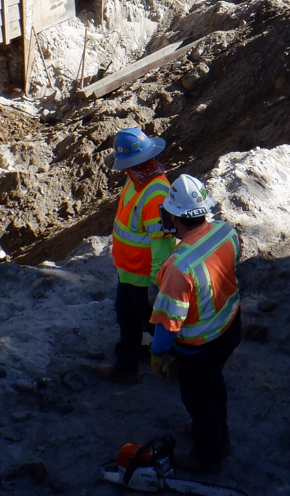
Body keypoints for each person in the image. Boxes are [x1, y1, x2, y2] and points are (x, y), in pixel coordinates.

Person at [149, 174, 242, 474]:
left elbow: (168, 322)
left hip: (200, 347)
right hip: (229, 326)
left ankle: (208, 454)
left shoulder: (178, 266)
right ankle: (218, 434)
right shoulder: (226, 232)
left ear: (174, 216)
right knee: (214, 384)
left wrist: (157, 351)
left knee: (198, 400)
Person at [96, 128, 176, 385]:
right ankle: (126, 367)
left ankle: (181, 366)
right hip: (128, 271)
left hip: (144, 277)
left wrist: (157, 283)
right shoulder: (136, 181)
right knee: (127, 318)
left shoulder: (157, 195)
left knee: (153, 324)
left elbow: (162, 245)